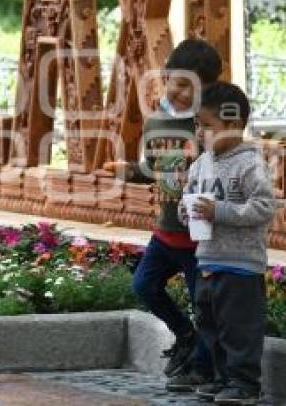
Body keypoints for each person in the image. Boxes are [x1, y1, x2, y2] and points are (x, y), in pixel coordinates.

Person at [104, 38, 222, 388]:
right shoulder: (155, 122)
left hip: (197, 235)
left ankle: (202, 369)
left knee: (204, 304)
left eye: (198, 88)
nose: (187, 94)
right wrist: (129, 170)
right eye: (182, 84)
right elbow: (155, 167)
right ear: (167, 76)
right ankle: (184, 335)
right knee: (143, 285)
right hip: (165, 230)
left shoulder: (207, 125)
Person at [182, 82, 276, 404]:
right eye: (197, 125)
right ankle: (223, 380)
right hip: (207, 257)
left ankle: (245, 384)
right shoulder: (200, 164)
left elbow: (263, 208)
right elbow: (191, 200)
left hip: (241, 263)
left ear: (234, 125)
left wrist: (218, 211)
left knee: (239, 328)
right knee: (210, 323)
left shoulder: (250, 164)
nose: (199, 132)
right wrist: (186, 209)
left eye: (207, 126)